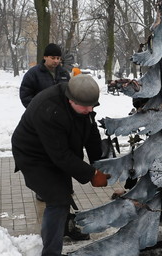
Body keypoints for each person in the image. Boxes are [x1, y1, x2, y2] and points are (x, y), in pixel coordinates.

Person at [11, 75, 111, 256]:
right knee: (58, 200)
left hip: (57, 150)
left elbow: (91, 134)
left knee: (63, 192)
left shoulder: (82, 104)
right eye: (85, 106)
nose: (90, 110)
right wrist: (92, 174)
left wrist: (101, 164)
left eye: (93, 106)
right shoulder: (49, 110)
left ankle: (64, 227)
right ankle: (51, 253)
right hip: (34, 154)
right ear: (70, 100)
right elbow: (61, 156)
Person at [19, 43, 71, 108]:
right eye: (53, 58)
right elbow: (25, 95)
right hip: (40, 115)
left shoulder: (64, 73)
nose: (56, 61)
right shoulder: (33, 73)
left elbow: (69, 94)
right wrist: (38, 110)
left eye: (58, 58)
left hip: (61, 114)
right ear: (45, 57)